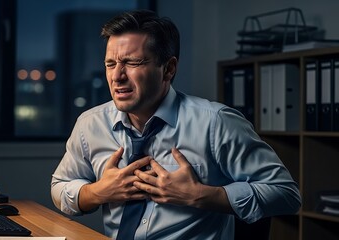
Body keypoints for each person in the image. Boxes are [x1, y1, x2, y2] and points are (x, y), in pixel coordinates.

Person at [51, 9, 301, 240]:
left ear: (168, 68)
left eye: (133, 63)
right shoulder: (90, 124)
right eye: (111, 64)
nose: (117, 76)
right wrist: (97, 192)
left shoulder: (216, 122)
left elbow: (286, 194)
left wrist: (200, 195)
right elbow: (60, 186)